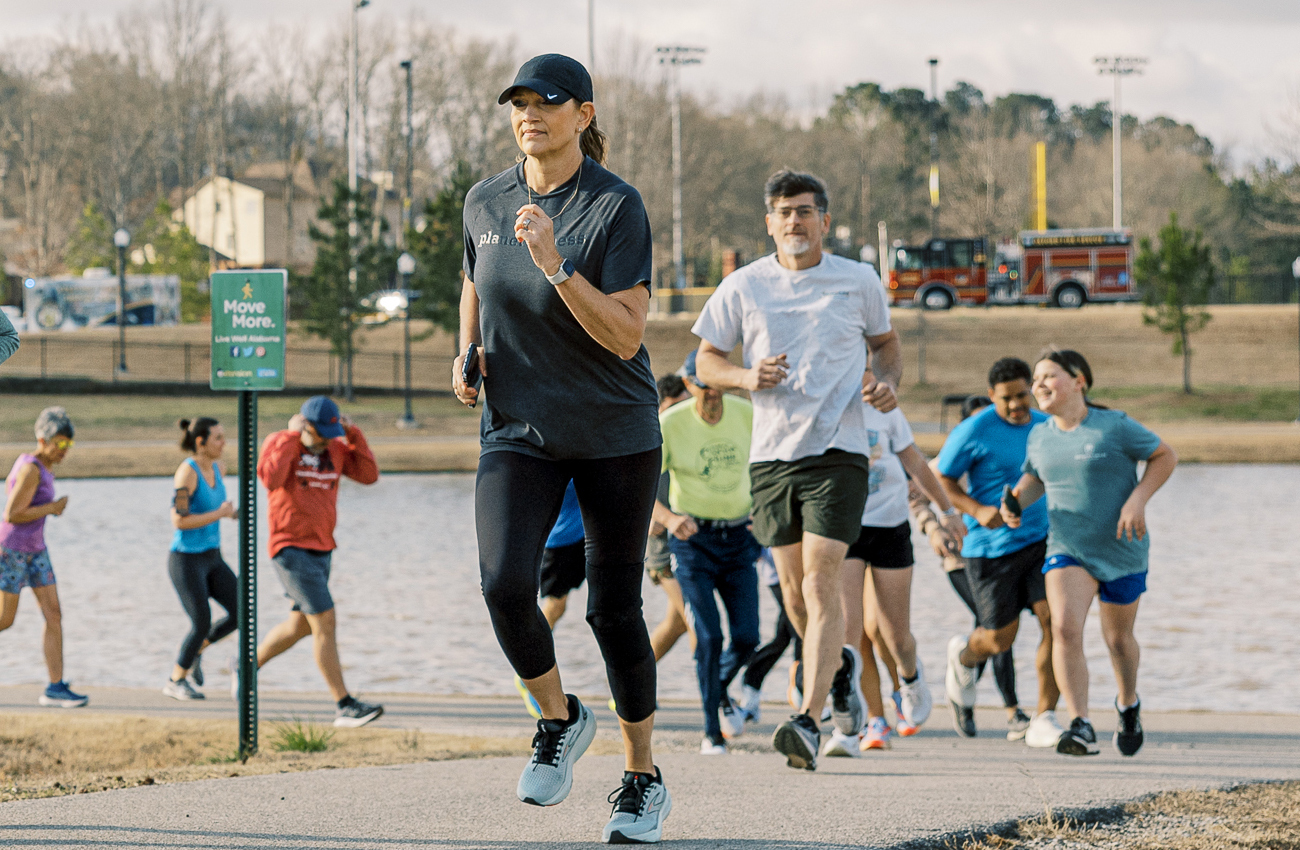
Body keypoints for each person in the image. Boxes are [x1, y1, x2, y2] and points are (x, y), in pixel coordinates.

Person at [453, 53, 670, 843]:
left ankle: (642, 776)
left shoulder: (615, 208)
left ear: (582, 114)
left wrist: (556, 264)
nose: (529, 114)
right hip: (518, 430)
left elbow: (625, 335)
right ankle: (559, 717)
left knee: (613, 611)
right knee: (503, 581)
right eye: (518, 103)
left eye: (546, 102)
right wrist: (466, 349)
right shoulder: (485, 198)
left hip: (614, 434)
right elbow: (475, 274)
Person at [693, 169, 907, 771]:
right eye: (784, 212)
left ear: (825, 221)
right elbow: (706, 360)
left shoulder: (857, 280)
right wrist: (744, 377)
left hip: (839, 452)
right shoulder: (743, 286)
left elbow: (886, 345)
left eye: (806, 211)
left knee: (820, 581)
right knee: (792, 595)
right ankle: (839, 671)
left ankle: (808, 723)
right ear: (770, 222)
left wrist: (887, 382)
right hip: (771, 458)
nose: (795, 222)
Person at [1003, 349, 1177, 757]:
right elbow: (1034, 480)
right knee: (1064, 628)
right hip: (1068, 547)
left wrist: (1137, 500)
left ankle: (1128, 704)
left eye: (1048, 376)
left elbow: (1164, 456)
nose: (1038, 385)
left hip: (1122, 546)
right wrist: (1014, 502)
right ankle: (1080, 723)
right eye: (1035, 380)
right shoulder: (1040, 434)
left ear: (1079, 380)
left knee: (1117, 639)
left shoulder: (1113, 426)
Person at [823, 404, 965, 757]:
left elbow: (917, 464)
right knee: (849, 629)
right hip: (845, 526)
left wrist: (947, 512)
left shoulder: (885, 411)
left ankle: (910, 677)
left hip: (889, 527)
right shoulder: (824, 406)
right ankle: (856, 720)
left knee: (894, 633)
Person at [936, 358, 1061, 745]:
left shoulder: (1046, 425)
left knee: (1055, 623)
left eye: (1022, 395)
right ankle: (965, 657)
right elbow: (942, 478)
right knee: (999, 639)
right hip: (989, 549)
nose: (1016, 405)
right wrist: (976, 510)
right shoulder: (974, 428)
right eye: (1007, 398)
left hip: (1042, 541)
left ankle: (1045, 717)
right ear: (992, 396)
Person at [654, 351, 760, 755]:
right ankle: (711, 730)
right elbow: (638, 486)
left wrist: (762, 514)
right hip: (693, 543)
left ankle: (715, 689)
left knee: (748, 637)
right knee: (709, 635)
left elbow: (768, 466)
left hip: (739, 540)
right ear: (689, 385)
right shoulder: (671, 423)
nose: (712, 394)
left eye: (719, 385)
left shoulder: (744, 412)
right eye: (703, 386)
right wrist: (669, 519)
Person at [253, 396, 383, 727]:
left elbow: (368, 475)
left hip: (323, 547)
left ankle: (245, 667)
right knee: (325, 619)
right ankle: (344, 705)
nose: (327, 439)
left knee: (300, 626)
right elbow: (269, 479)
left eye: (332, 431)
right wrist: (288, 436)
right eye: (321, 432)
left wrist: (353, 435)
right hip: (289, 547)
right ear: (306, 425)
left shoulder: (337, 448)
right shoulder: (282, 443)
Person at [921, 395, 1025, 735]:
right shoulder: (950, 459)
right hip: (959, 559)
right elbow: (916, 493)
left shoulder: (1004, 450)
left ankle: (963, 691)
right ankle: (1011, 711)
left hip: (1000, 556)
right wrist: (933, 526)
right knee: (994, 621)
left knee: (994, 624)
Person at [0, 407, 85, 707]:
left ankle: (56, 687)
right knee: (4, 620)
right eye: (60, 444)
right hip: (12, 551)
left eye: (68, 445)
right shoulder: (31, 469)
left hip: (37, 550)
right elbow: (11, 514)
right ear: (42, 438)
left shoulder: (45, 466)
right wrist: (52, 508)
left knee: (54, 614)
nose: (64, 450)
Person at [164, 417, 238, 700]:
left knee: (241, 609)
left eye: (223, 436)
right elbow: (179, 521)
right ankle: (175, 680)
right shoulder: (187, 473)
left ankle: (195, 652)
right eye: (218, 438)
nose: (224, 443)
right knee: (201, 622)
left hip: (213, 557)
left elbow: (218, 508)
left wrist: (232, 514)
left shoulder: (219, 468)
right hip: (186, 560)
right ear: (200, 442)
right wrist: (219, 514)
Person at [513, 480, 585, 719]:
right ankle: (529, 671)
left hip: (587, 535)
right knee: (554, 607)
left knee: (598, 606)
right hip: (560, 541)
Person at [644, 375, 693, 664]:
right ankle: (717, 695)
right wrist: (652, 515)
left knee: (678, 624)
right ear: (660, 406)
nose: (681, 414)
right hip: (660, 546)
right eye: (675, 407)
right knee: (695, 617)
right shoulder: (650, 436)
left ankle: (626, 687)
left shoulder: (688, 435)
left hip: (687, 540)